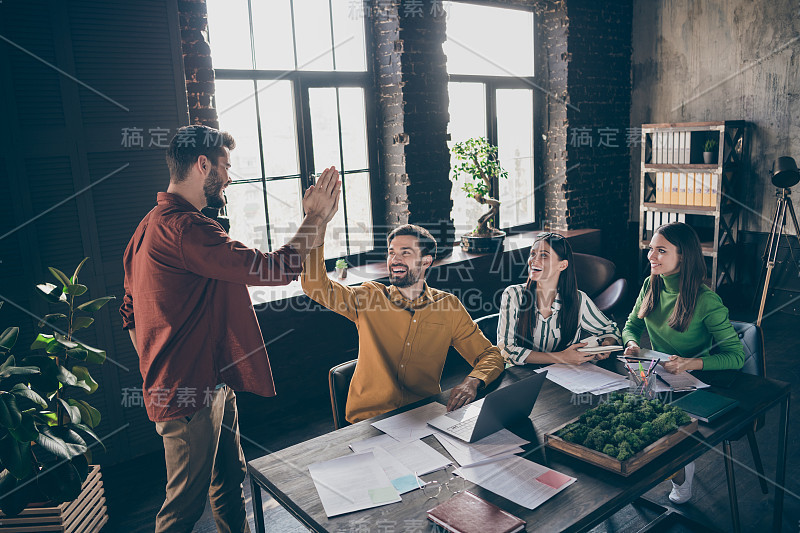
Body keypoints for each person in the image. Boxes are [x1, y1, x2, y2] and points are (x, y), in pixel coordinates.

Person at [119, 125, 340, 533]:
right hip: (188, 394)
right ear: (203, 165)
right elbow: (275, 268)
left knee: (229, 480)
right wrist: (315, 216)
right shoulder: (187, 228)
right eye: (226, 166)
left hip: (211, 382)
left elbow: (129, 312)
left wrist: (155, 364)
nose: (230, 177)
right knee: (182, 509)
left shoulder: (150, 223)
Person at [301, 223, 505, 423]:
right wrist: (317, 223)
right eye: (391, 253)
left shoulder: (448, 307)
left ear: (426, 261)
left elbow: (490, 355)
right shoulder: (369, 298)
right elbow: (315, 285)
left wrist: (473, 381)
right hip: (369, 421)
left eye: (405, 253)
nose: (395, 259)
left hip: (424, 416)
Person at [622, 221, 744, 504]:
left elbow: (736, 356)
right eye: (651, 249)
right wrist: (631, 343)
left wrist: (691, 363)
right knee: (623, 414)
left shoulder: (707, 300)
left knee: (663, 426)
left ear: (683, 256)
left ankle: (680, 475)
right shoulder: (650, 284)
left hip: (696, 385)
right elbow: (630, 325)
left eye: (661, 250)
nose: (651, 256)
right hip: (657, 377)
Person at [498, 232, 621, 366]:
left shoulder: (578, 300)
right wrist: (560, 357)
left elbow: (610, 330)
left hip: (565, 378)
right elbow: (506, 350)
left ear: (562, 265)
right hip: (521, 378)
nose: (533, 260)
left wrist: (605, 345)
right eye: (533, 254)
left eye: (544, 255)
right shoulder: (513, 295)